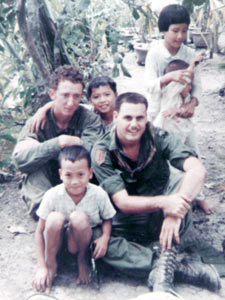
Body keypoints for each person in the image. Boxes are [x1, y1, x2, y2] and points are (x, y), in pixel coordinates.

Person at [91, 92, 221, 294]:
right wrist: (165, 203)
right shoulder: (102, 150)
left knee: (183, 186)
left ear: (147, 118)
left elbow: (198, 170)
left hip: (162, 220)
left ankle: (156, 264)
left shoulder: (159, 137)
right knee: (95, 239)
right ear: (115, 117)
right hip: (125, 222)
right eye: (127, 117)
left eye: (139, 118)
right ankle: (171, 266)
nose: (134, 124)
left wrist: (174, 210)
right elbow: (123, 202)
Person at [13, 65, 104, 219]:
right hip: (47, 179)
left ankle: (80, 218)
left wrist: (67, 141)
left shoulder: (90, 119)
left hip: (78, 179)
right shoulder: (37, 122)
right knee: (34, 169)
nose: (70, 102)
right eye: (65, 95)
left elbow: (94, 150)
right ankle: (50, 217)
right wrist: (59, 142)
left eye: (76, 96)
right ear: (52, 94)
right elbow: (20, 160)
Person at [32, 145, 116, 292]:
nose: (75, 181)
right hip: (57, 243)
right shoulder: (52, 195)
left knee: (78, 217)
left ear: (90, 173)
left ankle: (82, 261)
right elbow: (39, 232)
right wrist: (42, 266)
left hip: (81, 242)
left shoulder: (98, 194)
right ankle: (52, 265)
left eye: (81, 174)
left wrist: (105, 237)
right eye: (68, 175)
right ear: (60, 174)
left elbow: (107, 218)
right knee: (54, 218)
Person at [153, 59, 213, 214]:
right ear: (177, 82)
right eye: (187, 83)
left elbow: (187, 109)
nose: (190, 87)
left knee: (195, 159)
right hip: (169, 135)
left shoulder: (185, 97)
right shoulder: (169, 93)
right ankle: (176, 199)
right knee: (172, 168)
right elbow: (183, 78)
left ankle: (199, 197)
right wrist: (193, 63)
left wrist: (180, 110)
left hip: (186, 130)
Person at [144, 4, 202, 125]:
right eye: (175, 31)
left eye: (184, 31)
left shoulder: (190, 54)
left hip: (181, 113)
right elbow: (149, 85)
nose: (180, 36)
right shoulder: (155, 54)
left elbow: (197, 85)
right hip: (157, 111)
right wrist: (168, 77)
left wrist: (192, 103)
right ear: (164, 30)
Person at [28, 75, 118, 134]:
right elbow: (63, 105)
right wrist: (42, 110)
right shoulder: (89, 112)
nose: (102, 100)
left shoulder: (123, 115)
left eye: (107, 95)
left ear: (116, 95)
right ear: (90, 100)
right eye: (96, 97)